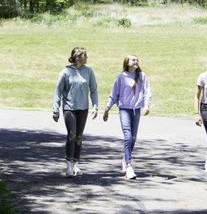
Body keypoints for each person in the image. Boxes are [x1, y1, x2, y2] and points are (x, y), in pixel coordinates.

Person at [103, 55, 151, 180]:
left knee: (133, 138)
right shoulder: (121, 77)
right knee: (128, 136)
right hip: (124, 109)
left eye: (137, 60)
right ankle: (129, 166)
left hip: (136, 110)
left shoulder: (142, 76)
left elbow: (147, 91)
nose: (136, 61)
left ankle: (125, 159)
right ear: (127, 63)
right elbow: (114, 94)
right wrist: (107, 108)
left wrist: (146, 105)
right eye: (133, 59)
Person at [53, 47, 98, 177]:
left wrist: (95, 107)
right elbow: (58, 91)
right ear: (77, 57)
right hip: (69, 107)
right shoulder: (66, 71)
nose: (86, 58)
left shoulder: (88, 71)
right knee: (71, 135)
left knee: (79, 137)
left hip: (83, 108)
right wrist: (55, 110)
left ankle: (75, 164)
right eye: (85, 55)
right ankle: (68, 164)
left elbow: (94, 90)